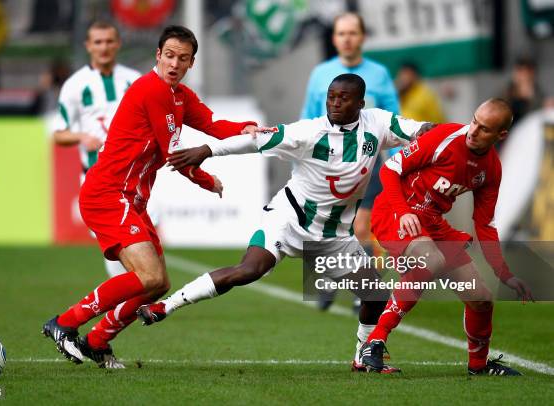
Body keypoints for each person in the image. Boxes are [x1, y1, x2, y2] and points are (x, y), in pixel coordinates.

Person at [138, 73, 433, 373]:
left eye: (343, 98)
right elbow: (257, 141)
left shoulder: (377, 123)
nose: (335, 102)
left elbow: (421, 131)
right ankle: (166, 306)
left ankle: (362, 356)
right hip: (289, 219)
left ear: (360, 102)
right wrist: (208, 151)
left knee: (376, 295)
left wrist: (463, 135)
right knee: (249, 270)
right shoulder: (308, 132)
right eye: (331, 96)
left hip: (333, 237)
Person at [42, 25, 258, 369]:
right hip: (108, 193)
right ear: (158, 55)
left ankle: (98, 340)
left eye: (182, 58)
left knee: (158, 284)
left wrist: (245, 127)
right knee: (148, 277)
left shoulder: (180, 95)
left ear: (191, 63)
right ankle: (66, 322)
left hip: (131, 199)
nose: (174, 63)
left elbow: (212, 122)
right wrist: (205, 179)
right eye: (169, 55)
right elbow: (173, 151)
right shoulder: (152, 90)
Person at [359, 99, 533, 375]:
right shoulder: (445, 136)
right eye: (474, 121)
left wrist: (504, 273)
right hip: (395, 210)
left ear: (501, 135)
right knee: (431, 259)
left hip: (432, 224)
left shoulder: (491, 169)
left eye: (484, 128)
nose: (473, 131)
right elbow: (390, 170)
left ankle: (478, 366)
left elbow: (485, 223)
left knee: (481, 298)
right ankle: (375, 341)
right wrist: (404, 212)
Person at [301, 12, 400, 310]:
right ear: (334, 39)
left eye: (352, 33)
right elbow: (307, 117)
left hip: (366, 166)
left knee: (361, 226)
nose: (347, 38)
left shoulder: (380, 74)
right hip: (326, 165)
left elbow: (395, 121)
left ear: (362, 37)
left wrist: (399, 164)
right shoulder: (320, 74)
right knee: (327, 228)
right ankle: (330, 279)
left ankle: (364, 292)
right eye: (341, 33)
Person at [52, 21, 141, 282]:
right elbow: (59, 133)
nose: (104, 47)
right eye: (98, 42)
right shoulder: (75, 85)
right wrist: (81, 136)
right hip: (98, 179)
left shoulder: (134, 80)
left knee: (142, 238)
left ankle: (136, 293)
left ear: (118, 44)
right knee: (117, 244)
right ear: (88, 46)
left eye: (109, 41)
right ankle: (131, 294)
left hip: (136, 176)